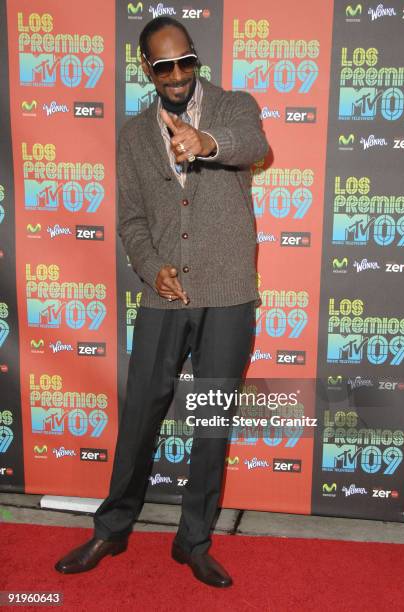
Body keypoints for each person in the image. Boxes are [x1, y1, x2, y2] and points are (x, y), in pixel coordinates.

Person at [55, 16, 268, 588]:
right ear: (146, 69)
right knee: (140, 416)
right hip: (163, 295)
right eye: (164, 66)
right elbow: (131, 220)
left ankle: (194, 541)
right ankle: (112, 528)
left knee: (212, 422)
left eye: (186, 62)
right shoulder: (131, 135)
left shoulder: (233, 107)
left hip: (228, 293)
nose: (178, 75)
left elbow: (255, 144)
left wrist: (207, 143)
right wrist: (153, 270)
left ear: (196, 59)